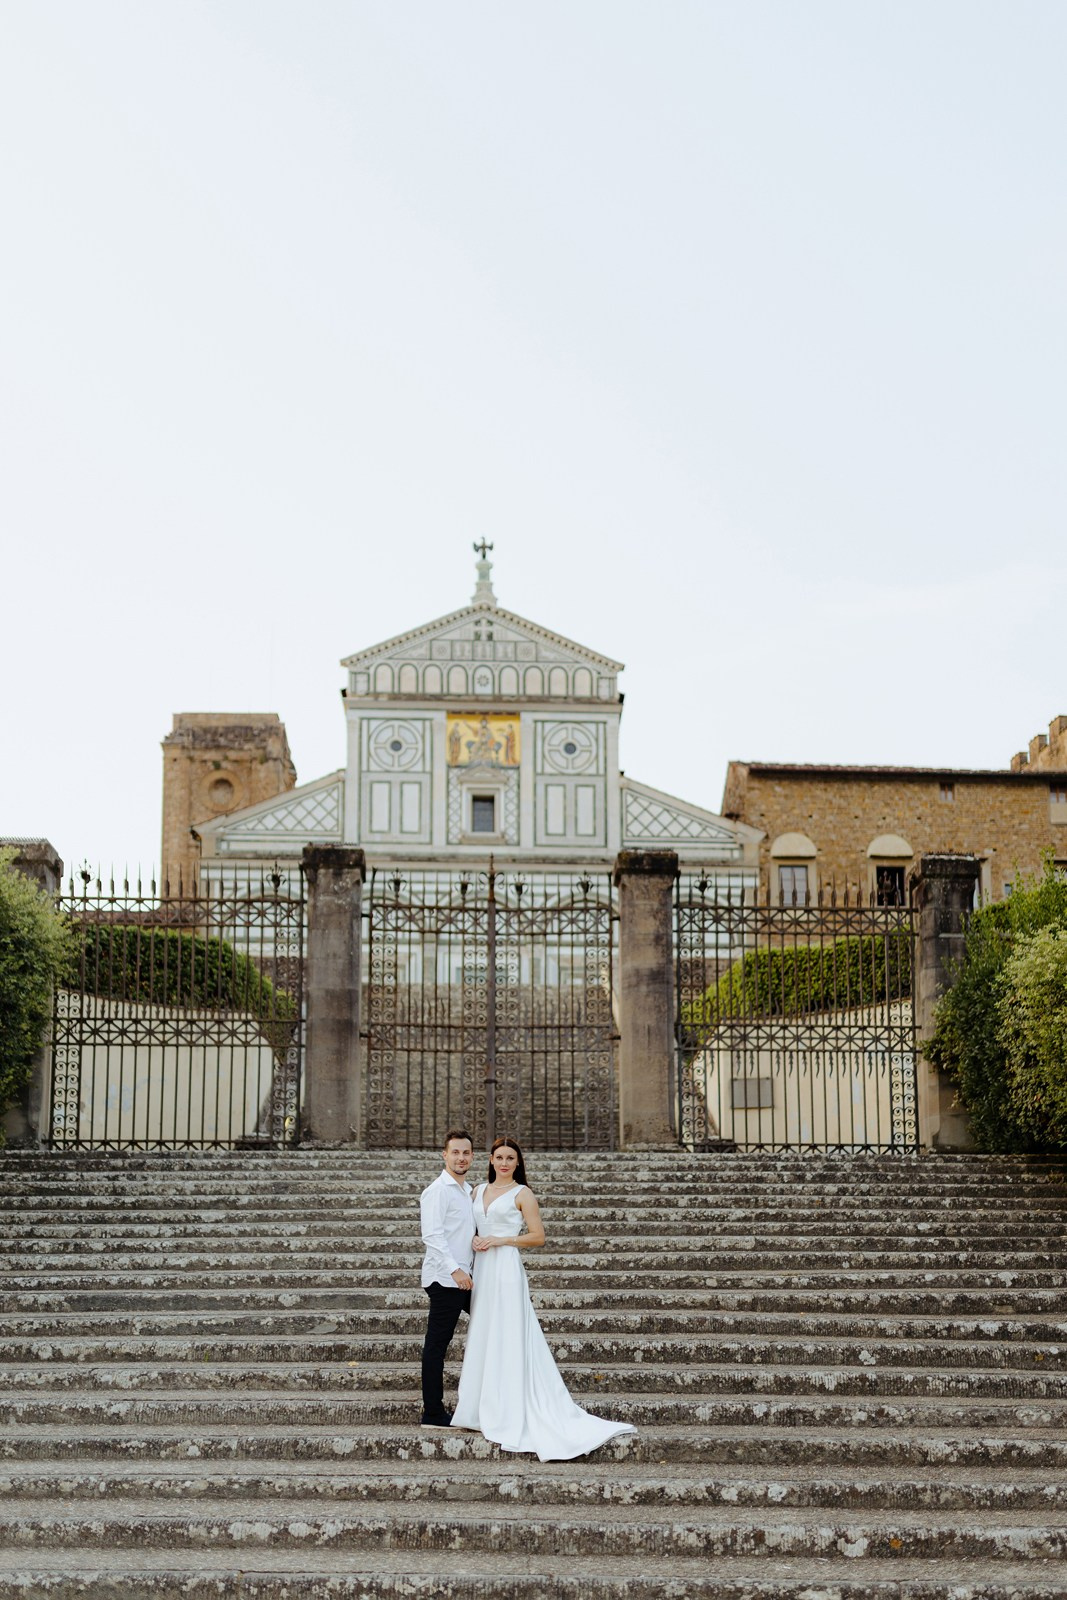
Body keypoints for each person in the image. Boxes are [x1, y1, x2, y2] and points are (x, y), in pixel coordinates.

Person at [451, 1136, 636, 1461]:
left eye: (510, 1158)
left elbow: (538, 1236)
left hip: (506, 1268)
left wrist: (500, 1240)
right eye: (499, 1157)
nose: (505, 1162)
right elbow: (468, 1226)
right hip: (483, 1271)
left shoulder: (523, 1194)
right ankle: (476, 1409)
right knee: (483, 1332)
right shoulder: (477, 1190)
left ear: (518, 1163)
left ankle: (508, 1408)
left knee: (508, 1334)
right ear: (491, 1160)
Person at [419, 1129, 476, 1427]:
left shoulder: (467, 1192)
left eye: (465, 1153)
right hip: (445, 1279)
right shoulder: (437, 1191)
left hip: (465, 1278)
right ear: (445, 1155)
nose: (460, 1157)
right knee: (437, 1346)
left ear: (472, 1157)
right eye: (455, 1152)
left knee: (492, 1329)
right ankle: (432, 1412)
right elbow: (432, 1235)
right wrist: (455, 1270)